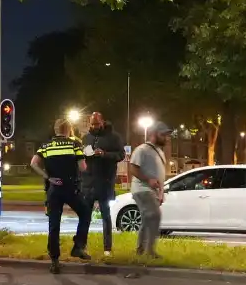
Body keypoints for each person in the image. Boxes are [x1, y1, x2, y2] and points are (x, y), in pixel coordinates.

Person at [30, 119, 92, 273]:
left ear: (55, 129)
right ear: (69, 130)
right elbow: (83, 167)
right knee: (85, 213)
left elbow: (33, 163)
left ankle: (54, 261)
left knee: (54, 225)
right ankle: (78, 246)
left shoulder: (46, 146)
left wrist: (47, 177)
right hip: (71, 188)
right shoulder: (74, 145)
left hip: (54, 189)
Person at [81, 112, 125, 258]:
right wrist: (86, 153)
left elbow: (121, 155)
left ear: (103, 122)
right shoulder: (86, 137)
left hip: (105, 182)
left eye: (97, 124)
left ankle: (107, 248)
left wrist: (104, 154)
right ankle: (82, 246)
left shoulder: (114, 137)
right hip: (88, 183)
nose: (94, 127)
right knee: (85, 216)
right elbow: (82, 153)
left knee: (106, 216)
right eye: (92, 124)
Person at [127, 122, 169, 258]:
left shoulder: (160, 152)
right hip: (142, 189)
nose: (166, 138)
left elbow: (160, 174)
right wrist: (148, 180)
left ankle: (141, 250)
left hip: (153, 191)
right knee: (155, 216)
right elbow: (133, 168)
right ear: (153, 134)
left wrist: (161, 193)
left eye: (167, 135)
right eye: (163, 135)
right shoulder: (142, 150)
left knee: (147, 219)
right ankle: (150, 251)